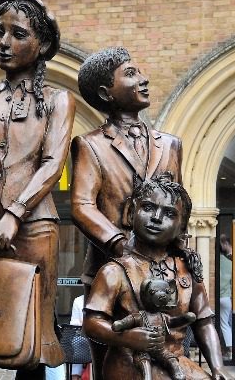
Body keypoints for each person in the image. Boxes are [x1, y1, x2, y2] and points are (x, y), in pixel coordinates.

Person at [0, 0, 75, 379]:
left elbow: (53, 164)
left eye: (18, 34)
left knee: (33, 337)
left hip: (35, 227)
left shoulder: (58, 101)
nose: (4, 42)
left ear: (42, 46)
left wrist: (14, 212)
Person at [70, 46, 182, 380]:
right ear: (106, 93)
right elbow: (81, 205)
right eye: (131, 74)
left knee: (167, 357)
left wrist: (181, 256)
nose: (143, 79)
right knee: (113, 367)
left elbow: (179, 205)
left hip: (163, 275)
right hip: (110, 272)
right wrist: (122, 246)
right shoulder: (90, 145)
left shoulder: (171, 145)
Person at [82, 175, 231, 380]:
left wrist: (218, 367)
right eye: (148, 208)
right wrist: (127, 337)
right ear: (132, 212)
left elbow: (204, 323)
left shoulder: (186, 270)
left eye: (169, 213)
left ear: (182, 226)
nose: (156, 218)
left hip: (174, 362)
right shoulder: (114, 271)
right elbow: (92, 323)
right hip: (129, 365)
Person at [218, 235, 233, 360]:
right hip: (226, 297)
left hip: (214, 297)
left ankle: (219, 350)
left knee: (211, 324)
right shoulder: (230, 263)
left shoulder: (213, 262)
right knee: (225, 324)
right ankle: (230, 349)